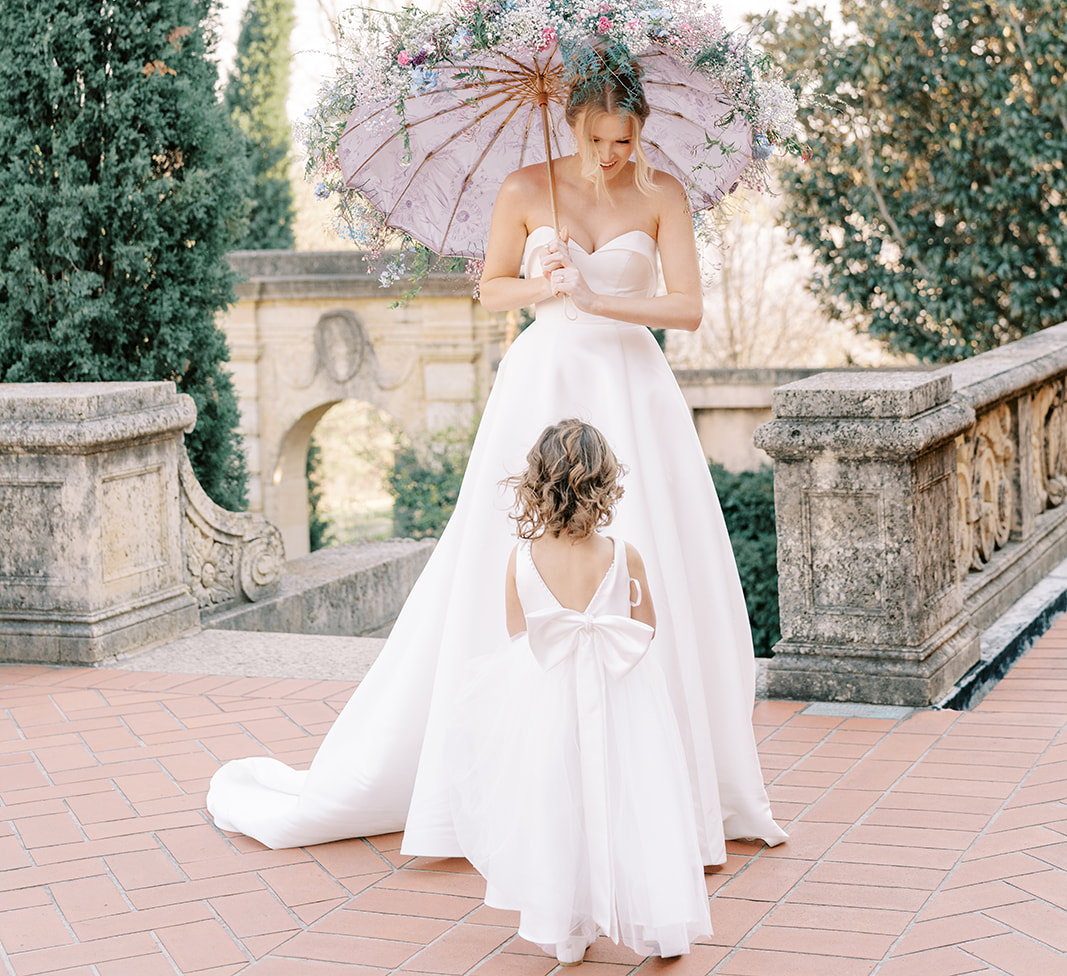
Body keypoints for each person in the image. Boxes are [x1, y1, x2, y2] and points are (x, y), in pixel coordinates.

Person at [207, 56, 786, 859]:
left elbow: (683, 307)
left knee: (650, 548)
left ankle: (667, 783)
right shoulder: (523, 189)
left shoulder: (661, 196)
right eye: (596, 138)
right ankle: (522, 776)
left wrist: (599, 298)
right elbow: (489, 289)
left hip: (630, 388)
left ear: (639, 131)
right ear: (571, 125)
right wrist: (542, 286)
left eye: (624, 138)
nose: (611, 153)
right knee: (510, 554)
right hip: (541, 382)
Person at [447, 418, 712, 965]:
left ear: (536, 484)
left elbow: (520, 636)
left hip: (544, 698)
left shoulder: (519, 561)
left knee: (554, 800)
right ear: (604, 484)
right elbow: (648, 627)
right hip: (622, 695)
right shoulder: (624, 554)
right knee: (636, 795)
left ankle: (567, 927)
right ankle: (660, 922)